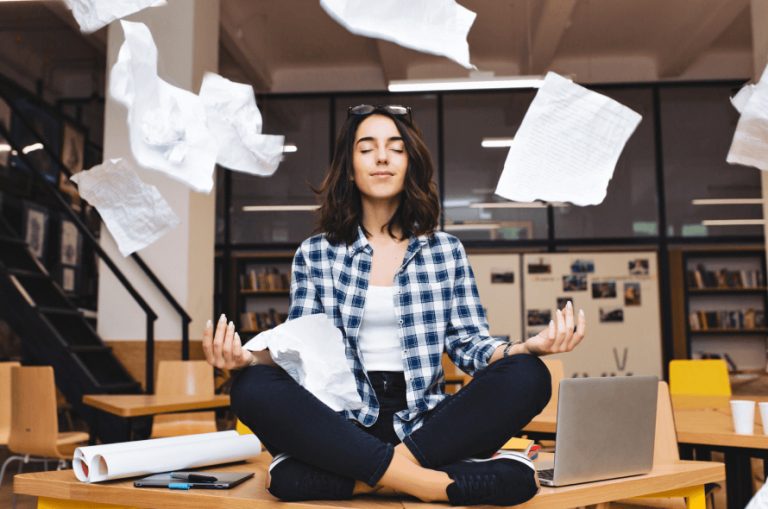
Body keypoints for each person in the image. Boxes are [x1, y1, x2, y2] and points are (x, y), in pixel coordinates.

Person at [203, 104, 586, 506]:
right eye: (367, 148)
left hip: (427, 427)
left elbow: (469, 345)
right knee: (250, 387)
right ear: (350, 168)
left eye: (395, 148)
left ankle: (372, 476)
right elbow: (304, 354)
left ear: (409, 164)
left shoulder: (445, 251)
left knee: (529, 375)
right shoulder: (316, 253)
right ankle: (429, 485)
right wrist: (244, 360)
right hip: (342, 424)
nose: (382, 157)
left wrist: (528, 348)